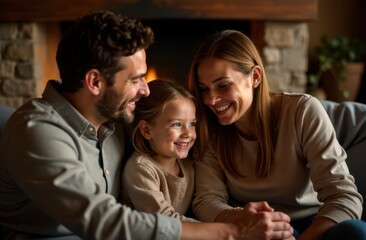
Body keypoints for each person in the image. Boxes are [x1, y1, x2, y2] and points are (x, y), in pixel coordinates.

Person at [0, 11, 295, 240]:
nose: (145, 90)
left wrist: (236, 216)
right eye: (135, 79)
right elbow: (105, 222)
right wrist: (232, 233)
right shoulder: (37, 132)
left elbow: (175, 143)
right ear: (94, 82)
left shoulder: (116, 121)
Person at [187, 29, 366, 240]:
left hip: (316, 222)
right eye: (204, 89)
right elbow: (206, 200)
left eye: (223, 85)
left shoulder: (302, 111)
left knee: (357, 232)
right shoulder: (209, 128)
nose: (211, 99)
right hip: (258, 230)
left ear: (254, 77)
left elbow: (344, 196)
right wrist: (239, 217)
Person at [121, 79, 197, 222]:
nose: (188, 133)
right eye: (177, 124)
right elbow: (166, 221)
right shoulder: (140, 169)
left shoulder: (188, 164)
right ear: (146, 130)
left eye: (192, 124)